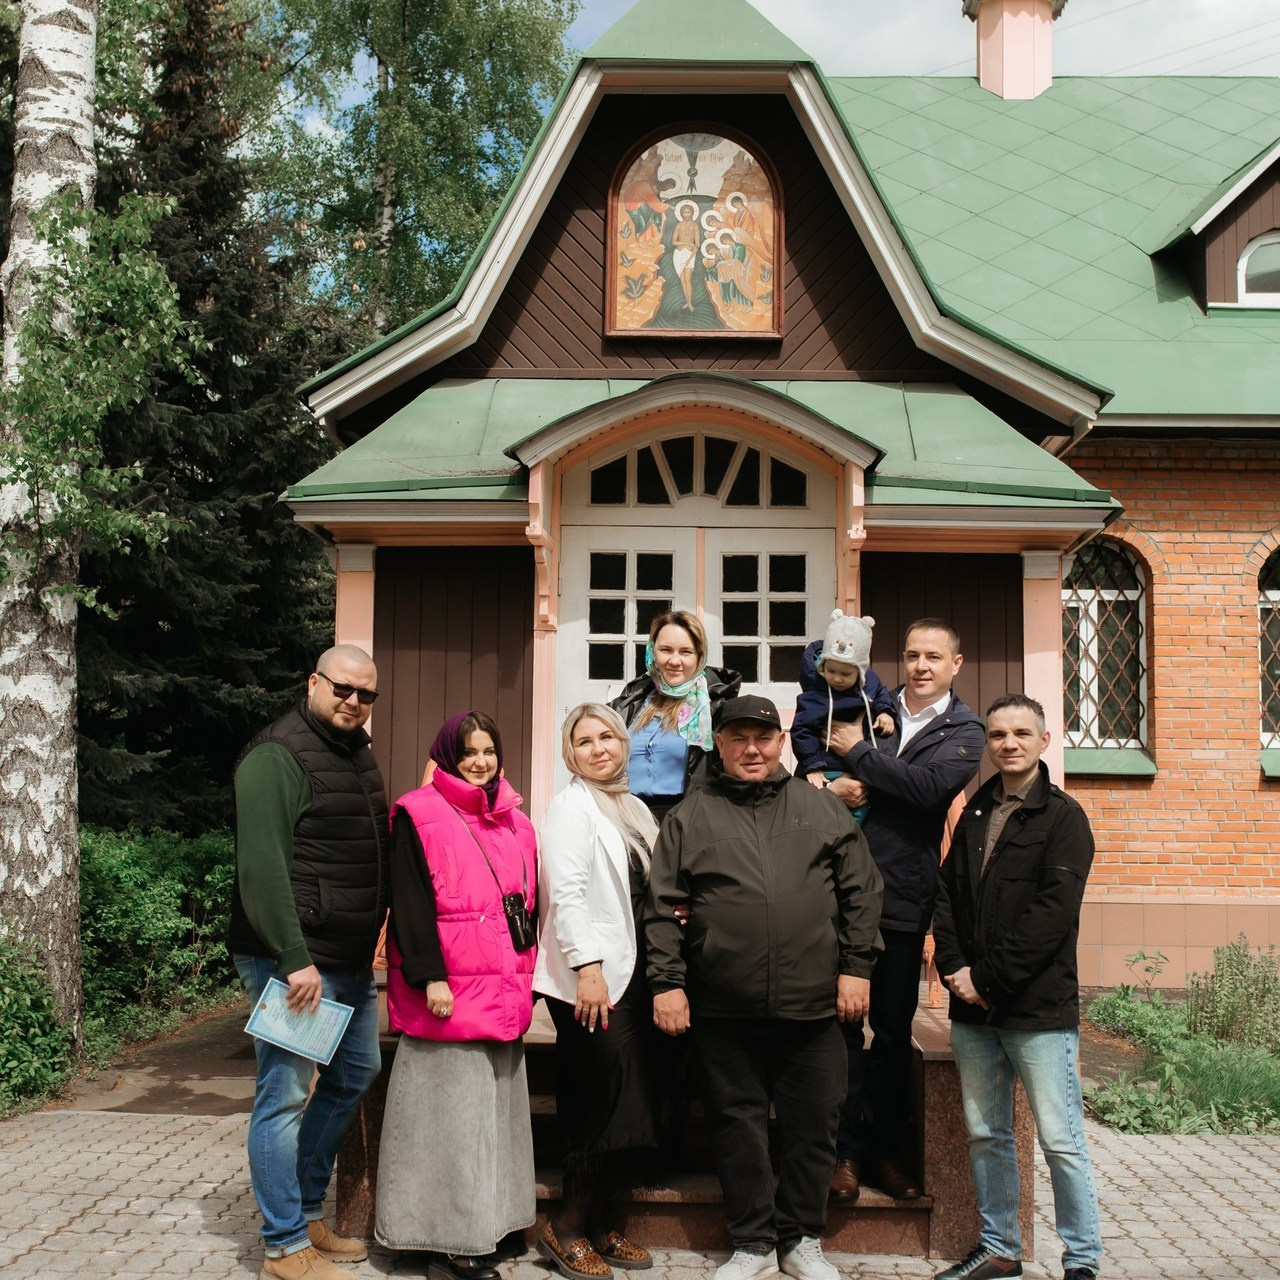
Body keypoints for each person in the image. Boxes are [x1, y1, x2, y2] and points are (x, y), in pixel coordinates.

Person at [645, 695, 884, 1280]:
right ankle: (751, 1241)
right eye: (737, 738)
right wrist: (667, 983)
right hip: (725, 1005)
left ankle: (801, 1237)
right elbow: (663, 908)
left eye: (763, 737)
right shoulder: (689, 818)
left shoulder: (820, 809)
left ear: (781, 742)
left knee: (814, 1123)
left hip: (815, 1003)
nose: (751, 749)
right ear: (720, 745)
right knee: (736, 1123)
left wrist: (856, 968)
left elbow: (862, 892)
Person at [228, 644, 389, 1280]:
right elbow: (261, 868)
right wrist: (293, 958)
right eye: (342, 688)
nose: (353, 701)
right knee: (285, 1095)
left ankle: (304, 1212)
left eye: (366, 693)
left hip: (344, 958)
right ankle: (284, 1245)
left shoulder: (354, 752)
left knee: (355, 1073)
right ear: (312, 683)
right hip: (295, 964)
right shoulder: (277, 754)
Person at [932, 694, 1101, 1280]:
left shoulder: (1063, 818)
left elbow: (1052, 917)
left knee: (1060, 1141)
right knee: (986, 1133)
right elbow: (948, 895)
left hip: (1037, 1009)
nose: (1009, 743)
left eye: (1021, 733)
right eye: (998, 734)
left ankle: (1082, 1260)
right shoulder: (978, 810)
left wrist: (986, 978)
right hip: (973, 1010)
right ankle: (1000, 1248)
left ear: (1043, 741)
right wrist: (957, 970)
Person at [824, 618, 983, 1204]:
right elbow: (816, 752)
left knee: (890, 1033)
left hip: (901, 899)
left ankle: (886, 1153)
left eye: (933, 657)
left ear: (954, 665)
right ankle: (842, 1154)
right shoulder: (873, 704)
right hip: (838, 894)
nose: (920, 665)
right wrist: (835, 776)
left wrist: (860, 755)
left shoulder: (965, 731)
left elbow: (925, 790)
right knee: (839, 1027)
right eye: (912, 654)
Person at [376, 711, 538, 1280]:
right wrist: (429, 976)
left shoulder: (517, 821)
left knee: (494, 1117)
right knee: (448, 1118)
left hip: (503, 992)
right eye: (468, 751)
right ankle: (449, 1242)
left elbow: (527, 907)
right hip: (448, 992)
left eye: (489, 750)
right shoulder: (416, 813)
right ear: (446, 754)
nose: (480, 761)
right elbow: (411, 903)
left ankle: (491, 1222)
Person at [534, 703, 664, 1279]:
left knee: (629, 1098)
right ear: (570, 754)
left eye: (607, 736)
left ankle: (604, 1222)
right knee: (601, 1098)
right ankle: (565, 1227)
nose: (598, 748)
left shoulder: (633, 807)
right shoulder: (569, 807)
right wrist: (586, 966)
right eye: (583, 741)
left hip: (634, 973)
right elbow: (566, 893)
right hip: (590, 980)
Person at [610, 609, 741, 823]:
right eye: (666, 650)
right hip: (626, 818)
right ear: (652, 652)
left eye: (685, 652)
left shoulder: (715, 707)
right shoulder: (631, 701)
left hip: (686, 821)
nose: (674, 660)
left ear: (700, 656)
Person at [791, 610, 896, 809]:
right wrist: (812, 765)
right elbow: (802, 730)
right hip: (827, 766)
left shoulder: (870, 682)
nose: (837, 679)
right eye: (830, 671)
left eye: (846, 674)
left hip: (863, 764)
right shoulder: (816, 694)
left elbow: (881, 693)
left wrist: (884, 711)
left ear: (861, 671)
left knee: (864, 814)